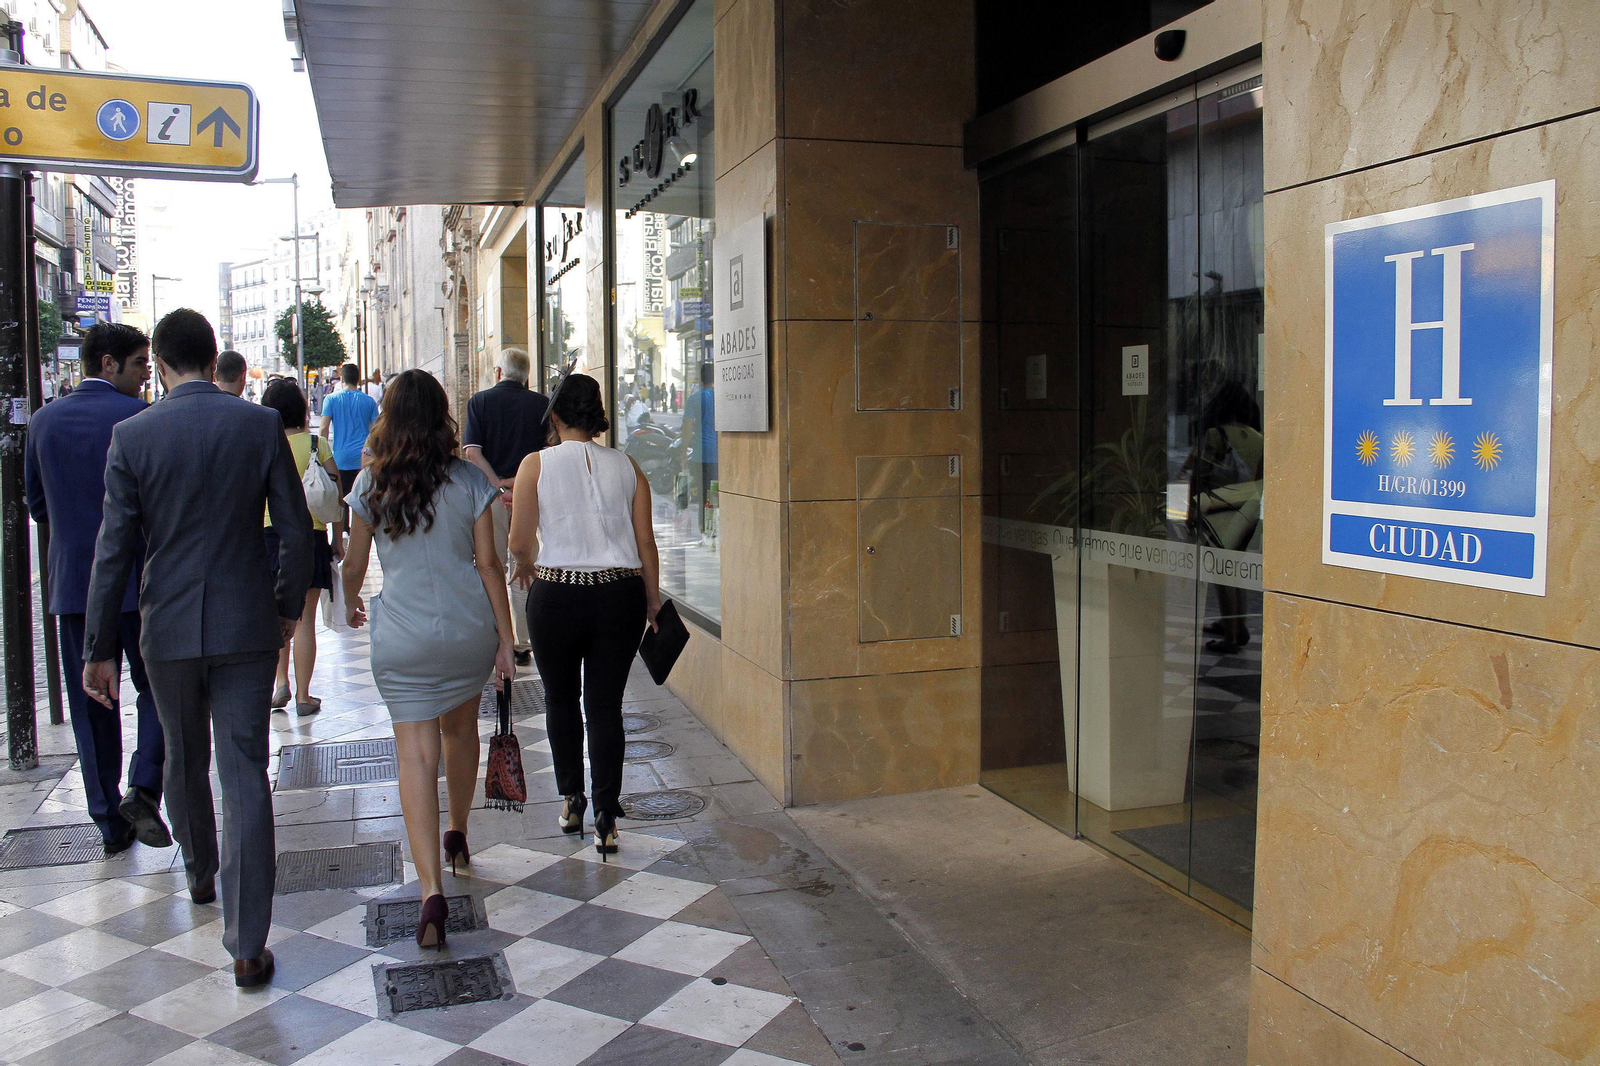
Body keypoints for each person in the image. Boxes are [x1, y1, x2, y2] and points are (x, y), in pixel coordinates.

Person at [83, 308, 312, 988]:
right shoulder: (258, 423)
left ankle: (200, 871)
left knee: (184, 757)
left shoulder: (132, 436)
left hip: (169, 627)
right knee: (244, 772)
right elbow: (297, 532)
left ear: (158, 364)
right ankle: (247, 943)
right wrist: (285, 608)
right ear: (214, 361)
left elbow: (113, 549)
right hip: (246, 623)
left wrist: (98, 643)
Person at [341, 369, 515, 948]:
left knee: (415, 755)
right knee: (460, 733)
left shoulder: (370, 484)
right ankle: (459, 832)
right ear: (442, 415)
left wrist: (349, 604)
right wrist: (506, 640)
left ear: (388, 419)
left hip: (403, 636)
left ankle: (429, 892)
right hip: (467, 629)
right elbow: (489, 565)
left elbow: (354, 566)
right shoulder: (469, 481)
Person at [25, 323, 169, 856]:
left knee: (92, 701)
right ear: (107, 364)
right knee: (155, 687)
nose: (144, 377)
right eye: (137, 365)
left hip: (72, 587)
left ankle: (109, 822)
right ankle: (144, 784)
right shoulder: (137, 418)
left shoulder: (42, 423)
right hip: (137, 582)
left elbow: (37, 506)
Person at [507, 373, 661, 860]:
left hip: (556, 594)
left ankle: (573, 799)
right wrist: (653, 601)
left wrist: (528, 563)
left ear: (554, 416)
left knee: (560, 699)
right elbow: (646, 542)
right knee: (605, 706)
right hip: (621, 596)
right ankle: (607, 818)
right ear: (597, 414)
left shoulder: (536, 465)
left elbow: (517, 541)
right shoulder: (628, 465)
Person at [462, 347, 549, 667]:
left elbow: (472, 452)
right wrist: (519, 483)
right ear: (527, 377)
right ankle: (526, 641)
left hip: (490, 499)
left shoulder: (479, 402)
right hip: (531, 496)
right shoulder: (541, 404)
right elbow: (547, 451)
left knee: (494, 564)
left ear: (499, 372)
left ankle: (502, 637)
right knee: (526, 564)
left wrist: (498, 485)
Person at [260, 378, 343, 715]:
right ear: (302, 408)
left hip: (269, 536)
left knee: (278, 615)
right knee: (305, 619)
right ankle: (305, 696)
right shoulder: (316, 444)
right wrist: (339, 537)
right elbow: (336, 494)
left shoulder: (265, 443)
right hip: (310, 535)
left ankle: (281, 684)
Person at [1186, 381, 1264, 653]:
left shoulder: (1215, 435)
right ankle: (1236, 625)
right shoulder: (1257, 437)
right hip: (1247, 511)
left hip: (1218, 511)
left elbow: (1200, 477)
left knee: (1220, 572)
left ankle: (1231, 635)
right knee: (1237, 571)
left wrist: (1190, 511)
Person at [320, 362, 380, 525]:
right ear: (358, 379)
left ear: (341, 379)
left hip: (340, 458)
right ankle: (363, 531)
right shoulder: (369, 402)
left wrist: (322, 452)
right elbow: (376, 430)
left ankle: (344, 533)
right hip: (363, 459)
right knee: (363, 499)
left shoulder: (331, 399)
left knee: (342, 499)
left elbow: (324, 427)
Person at [681, 361, 718, 531]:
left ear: (700, 378)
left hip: (700, 454)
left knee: (704, 495)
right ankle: (716, 529)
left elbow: (687, 429)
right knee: (716, 494)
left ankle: (706, 530)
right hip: (718, 454)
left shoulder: (694, 399)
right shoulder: (721, 397)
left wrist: (682, 453)